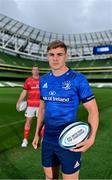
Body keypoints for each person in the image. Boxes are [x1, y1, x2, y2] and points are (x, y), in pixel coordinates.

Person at [32, 41, 99, 179]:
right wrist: (37, 133)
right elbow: (43, 109)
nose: (55, 58)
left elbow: (93, 110)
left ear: (66, 56)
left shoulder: (78, 79)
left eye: (59, 54)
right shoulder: (43, 80)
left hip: (70, 140)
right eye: (51, 55)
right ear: (47, 56)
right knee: (50, 177)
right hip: (48, 139)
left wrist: (91, 138)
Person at [16, 65, 40, 147]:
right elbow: (24, 92)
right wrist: (18, 102)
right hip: (30, 106)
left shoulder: (43, 80)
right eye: (34, 70)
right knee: (28, 121)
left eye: (37, 70)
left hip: (41, 106)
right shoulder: (28, 80)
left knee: (41, 123)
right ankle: (25, 140)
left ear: (38, 71)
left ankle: (42, 139)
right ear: (32, 71)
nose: (35, 71)